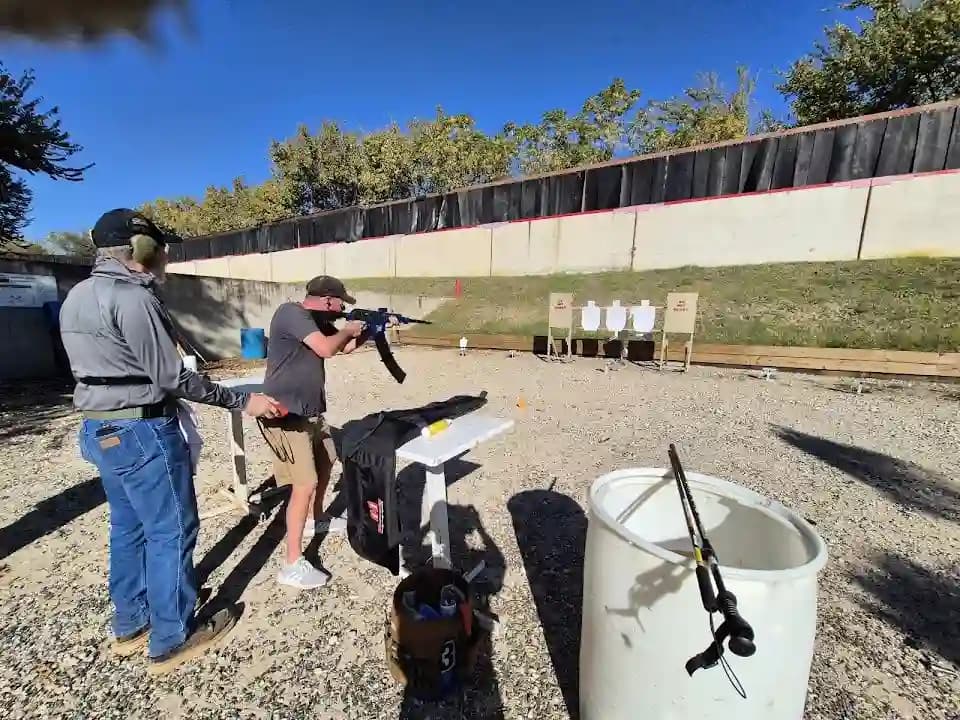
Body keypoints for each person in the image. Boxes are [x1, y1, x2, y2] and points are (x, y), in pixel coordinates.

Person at [59, 208, 283, 675]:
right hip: (142, 431)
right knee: (172, 530)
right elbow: (171, 377)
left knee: (128, 527)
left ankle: (130, 623)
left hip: (99, 429)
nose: (164, 254)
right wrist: (242, 402)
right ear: (140, 249)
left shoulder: (76, 296)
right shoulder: (133, 298)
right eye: (159, 246)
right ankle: (171, 635)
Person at [258, 275, 371, 589]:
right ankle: (291, 563)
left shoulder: (314, 321)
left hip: (310, 412)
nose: (341, 309)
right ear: (327, 299)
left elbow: (344, 347)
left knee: (327, 459)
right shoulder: (291, 313)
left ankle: (314, 519)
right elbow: (325, 349)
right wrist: (348, 328)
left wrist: (367, 331)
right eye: (339, 303)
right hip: (284, 413)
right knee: (304, 483)